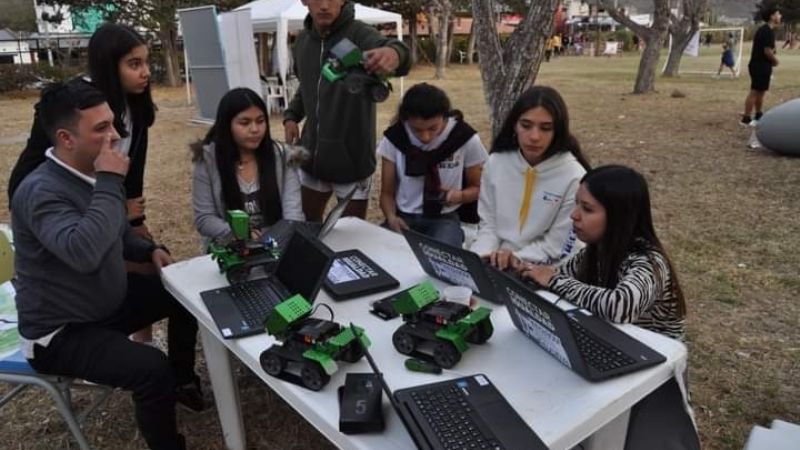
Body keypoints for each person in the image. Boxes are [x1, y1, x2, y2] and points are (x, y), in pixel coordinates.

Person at [10, 80, 201, 450]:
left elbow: (113, 229)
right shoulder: (40, 191)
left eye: (112, 123)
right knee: (149, 368)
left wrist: (148, 251)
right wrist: (112, 181)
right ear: (66, 138)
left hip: (102, 305)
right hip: (60, 332)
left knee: (183, 295)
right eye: (100, 129)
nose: (115, 136)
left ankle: (181, 381)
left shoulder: (88, 174)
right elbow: (85, 251)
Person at [7, 23, 159, 345]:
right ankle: (91, 345)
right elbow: (42, 164)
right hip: (62, 200)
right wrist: (113, 206)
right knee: (91, 261)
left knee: (147, 261)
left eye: (147, 62)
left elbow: (132, 170)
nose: (146, 72)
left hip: (105, 191)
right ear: (108, 64)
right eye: (134, 64)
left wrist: (135, 221)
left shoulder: (136, 108)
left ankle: (142, 341)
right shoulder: (77, 105)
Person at [519, 165, 686, 341]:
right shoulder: (595, 251)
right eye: (576, 203)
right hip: (612, 340)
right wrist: (521, 269)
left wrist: (553, 280)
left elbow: (620, 307)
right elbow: (553, 278)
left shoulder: (649, 262)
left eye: (587, 209)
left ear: (618, 216)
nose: (574, 215)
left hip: (658, 356)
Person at [282, 0, 411, 222]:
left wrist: (395, 53)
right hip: (312, 159)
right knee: (307, 227)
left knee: (352, 235)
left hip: (352, 161)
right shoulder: (302, 41)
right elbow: (307, 86)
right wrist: (292, 115)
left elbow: (399, 52)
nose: (324, 6)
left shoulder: (360, 33)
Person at [470, 86, 590, 269]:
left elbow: (559, 245)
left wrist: (515, 259)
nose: (534, 137)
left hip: (546, 269)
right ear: (514, 125)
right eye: (526, 125)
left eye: (546, 128)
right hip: (497, 264)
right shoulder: (495, 163)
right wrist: (477, 259)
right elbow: (489, 226)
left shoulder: (574, 176)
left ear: (558, 130)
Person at [378, 83, 487, 247]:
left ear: (444, 117)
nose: (426, 137)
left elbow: (479, 187)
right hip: (404, 215)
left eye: (433, 128)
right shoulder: (396, 139)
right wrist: (392, 218)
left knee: (443, 258)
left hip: (444, 218)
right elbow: (387, 192)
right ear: (405, 120)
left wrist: (460, 196)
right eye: (417, 130)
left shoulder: (463, 138)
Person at [192, 87, 304, 245]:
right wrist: (241, 234)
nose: (255, 129)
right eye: (245, 123)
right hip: (230, 249)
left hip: (276, 245)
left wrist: (274, 243)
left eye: (260, 121)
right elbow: (204, 219)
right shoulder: (208, 160)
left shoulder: (283, 156)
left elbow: (293, 216)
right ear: (226, 125)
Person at [741, 3, 781, 126]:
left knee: (761, 91)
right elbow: (767, 51)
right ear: (772, 16)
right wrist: (775, 61)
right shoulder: (766, 31)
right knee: (755, 91)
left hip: (762, 65)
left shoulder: (767, 30)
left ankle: (758, 114)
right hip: (760, 65)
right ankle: (746, 118)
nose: (780, 16)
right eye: (778, 14)